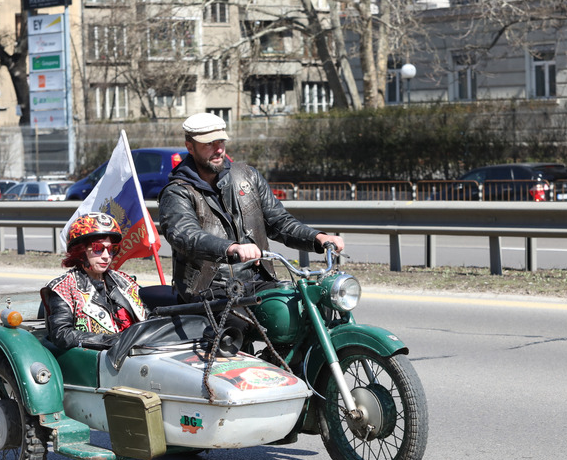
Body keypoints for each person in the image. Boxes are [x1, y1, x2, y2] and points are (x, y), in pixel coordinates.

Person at [158, 112, 345, 303]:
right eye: (209, 144)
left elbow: (278, 221)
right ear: (190, 147)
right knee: (237, 327)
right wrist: (231, 248)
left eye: (221, 141)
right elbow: (185, 236)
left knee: (296, 312)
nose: (218, 149)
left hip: (258, 281)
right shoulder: (177, 192)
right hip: (210, 287)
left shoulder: (248, 176)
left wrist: (317, 237)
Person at [42, 212, 147, 350]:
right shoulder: (62, 287)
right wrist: (113, 341)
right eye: (98, 248)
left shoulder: (124, 280)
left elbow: (148, 314)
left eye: (111, 249)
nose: (106, 256)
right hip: (94, 361)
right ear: (80, 250)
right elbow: (61, 334)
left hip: (136, 352)